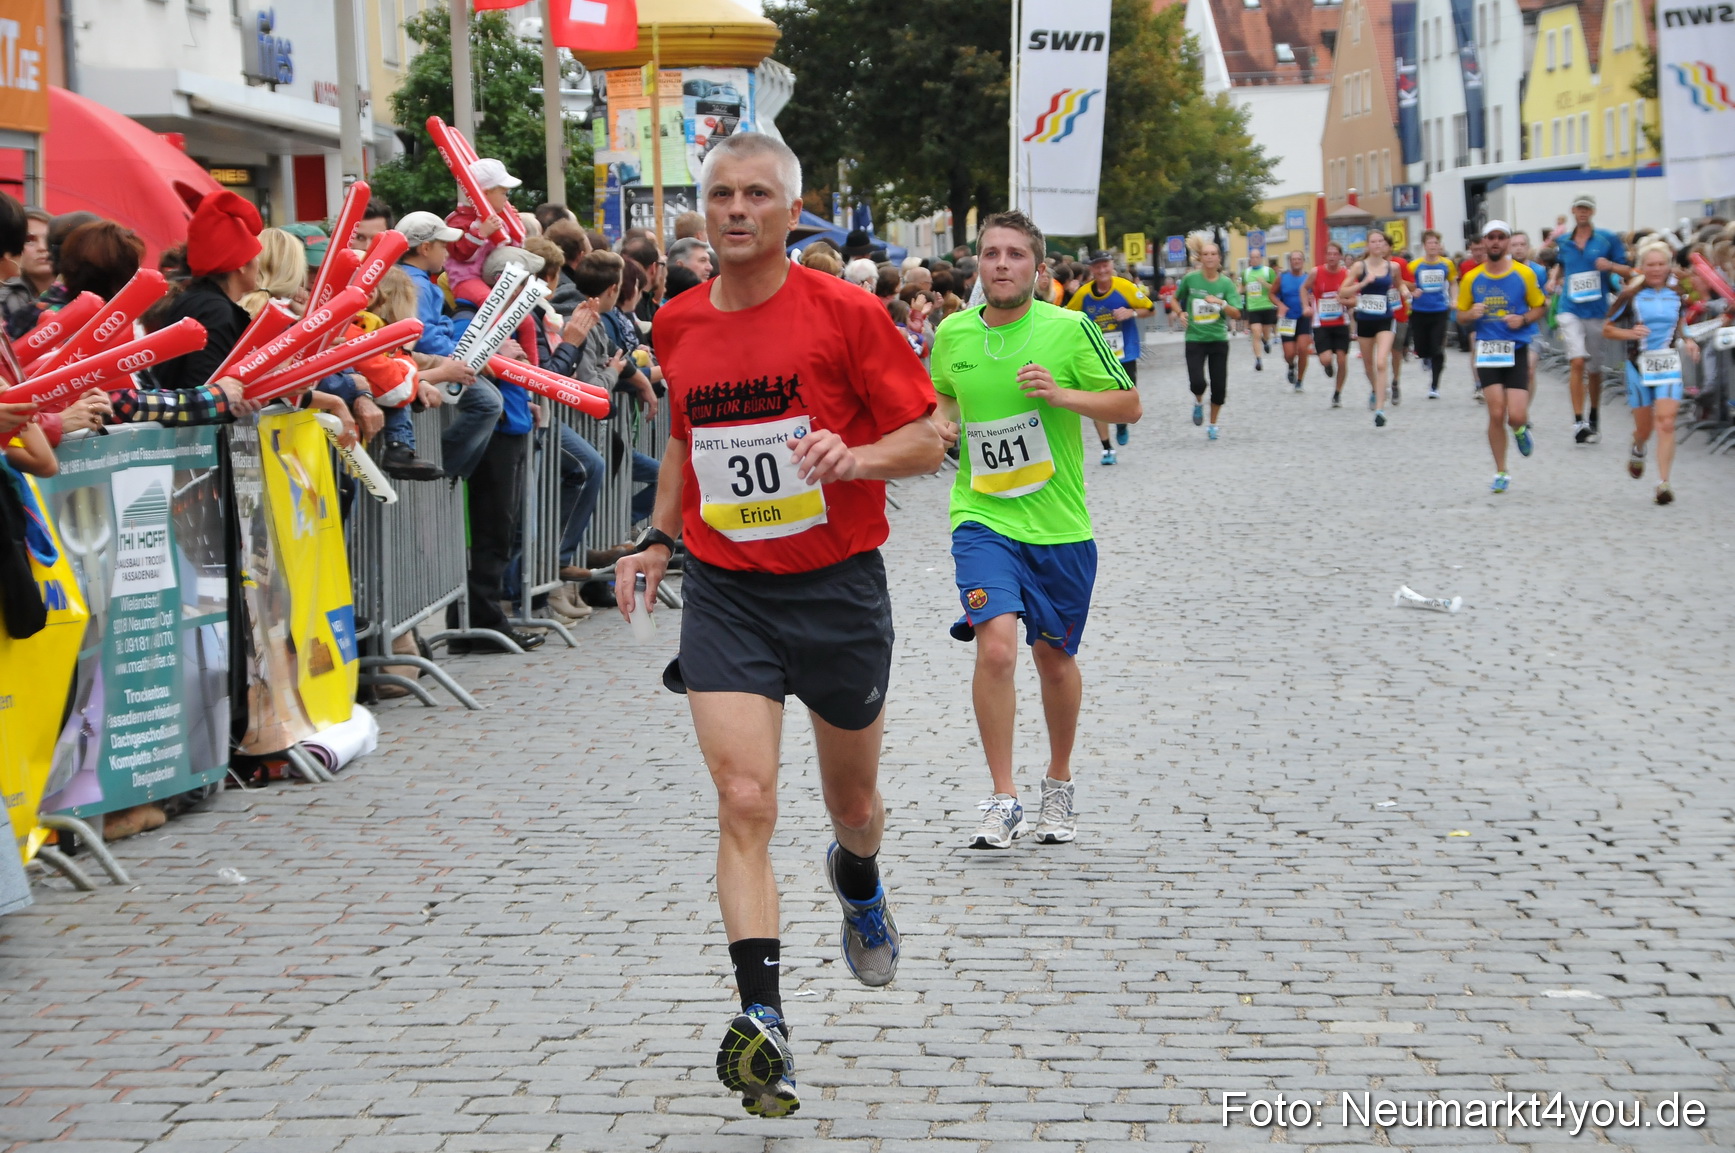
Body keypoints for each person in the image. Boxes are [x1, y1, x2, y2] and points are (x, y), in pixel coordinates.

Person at [614, 132, 942, 1120]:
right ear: (702, 209)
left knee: (852, 801)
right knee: (745, 796)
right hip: (728, 590)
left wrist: (856, 457)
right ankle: (765, 1025)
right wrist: (658, 537)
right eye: (720, 194)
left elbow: (930, 436)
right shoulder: (676, 322)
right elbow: (684, 437)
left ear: (792, 212)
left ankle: (860, 875)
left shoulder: (844, 312)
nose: (736, 209)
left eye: (757, 193)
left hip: (837, 587)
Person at [930, 210, 1139, 851]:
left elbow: (1128, 404)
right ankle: (1003, 796)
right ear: (978, 266)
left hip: (1058, 523)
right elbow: (942, 395)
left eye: (1015, 254)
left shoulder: (1070, 329)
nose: (1000, 264)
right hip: (982, 515)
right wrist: (940, 422)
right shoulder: (953, 334)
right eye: (991, 253)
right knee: (994, 647)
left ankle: (1059, 780)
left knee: (1054, 658)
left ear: (1037, 268)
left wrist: (1063, 395)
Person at [397, 211, 494, 481]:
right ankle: (445, 468)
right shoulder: (416, 283)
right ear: (425, 248)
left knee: (491, 404)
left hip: (435, 359)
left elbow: (434, 326)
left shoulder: (417, 279)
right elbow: (424, 334)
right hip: (432, 361)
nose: (448, 253)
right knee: (488, 404)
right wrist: (458, 354)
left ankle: (448, 469)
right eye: (443, 245)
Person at [1604, 241, 1698, 504]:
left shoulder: (1678, 294)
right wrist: (1629, 333)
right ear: (1642, 267)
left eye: (1661, 264)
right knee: (1644, 429)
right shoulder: (1630, 296)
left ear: (1668, 266)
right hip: (1638, 368)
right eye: (1651, 265)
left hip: (1668, 365)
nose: (1656, 269)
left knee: (1666, 422)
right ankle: (1639, 446)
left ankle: (1663, 483)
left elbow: (1681, 324)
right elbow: (1607, 329)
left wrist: (1688, 340)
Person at [1457, 221, 1546, 494]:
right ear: (1483, 242)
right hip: (1488, 351)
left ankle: (1519, 430)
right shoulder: (1472, 278)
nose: (1495, 242)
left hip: (1516, 349)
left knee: (1516, 415)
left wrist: (1524, 318)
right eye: (1490, 238)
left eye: (1501, 237)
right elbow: (1459, 315)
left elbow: (1540, 306)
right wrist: (1470, 315)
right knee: (1496, 412)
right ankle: (1501, 471)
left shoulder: (1524, 274)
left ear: (1507, 242)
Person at [148, 191, 264, 392]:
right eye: (255, 256)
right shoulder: (215, 311)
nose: (259, 264)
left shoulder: (199, 301)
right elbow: (206, 387)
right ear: (241, 265)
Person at [1550, 194, 1630, 443]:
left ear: (1592, 212)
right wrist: (1554, 278)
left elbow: (1628, 269)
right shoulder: (1563, 241)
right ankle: (1578, 422)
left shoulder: (1608, 239)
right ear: (1573, 211)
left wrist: (1610, 267)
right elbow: (1561, 264)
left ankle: (1593, 415)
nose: (1583, 212)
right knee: (1576, 361)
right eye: (1579, 208)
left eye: (1588, 209)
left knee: (1594, 369)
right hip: (1569, 308)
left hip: (1596, 310)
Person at [1064, 251, 1152, 462]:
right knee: (1097, 398)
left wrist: (1131, 312)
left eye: (1106, 265)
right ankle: (1107, 448)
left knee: (1126, 395)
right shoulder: (1083, 294)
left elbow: (1150, 309)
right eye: (1097, 266)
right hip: (1096, 355)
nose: (1102, 270)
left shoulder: (1125, 287)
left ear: (1111, 266)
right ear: (1091, 269)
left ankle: (1121, 422)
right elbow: (1067, 317)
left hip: (1125, 352)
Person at [1174, 239, 1242, 440]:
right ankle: (1198, 402)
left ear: (1219, 258)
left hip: (1218, 339)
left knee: (1219, 386)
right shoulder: (1190, 279)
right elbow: (1176, 299)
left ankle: (1213, 424)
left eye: (1213, 254)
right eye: (1206, 254)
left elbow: (1237, 313)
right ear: (1200, 258)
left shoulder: (1226, 283)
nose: (1210, 257)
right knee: (1197, 382)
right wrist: (1180, 313)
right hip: (1195, 337)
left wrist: (1220, 303)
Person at [1345, 230, 1409, 427]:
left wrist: (1406, 292)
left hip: (1385, 318)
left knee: (1381, 362)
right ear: (1368, 245)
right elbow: (1343, 290)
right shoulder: (1359, 266)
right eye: (1373, 242)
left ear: (1385, 245)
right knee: (1368, 365)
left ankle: (1380, 409)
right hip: (1364, 319)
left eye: (1381, 241)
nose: (1377, 245)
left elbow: (1400, 285)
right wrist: (1363, 283)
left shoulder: (1393, 267)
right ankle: (1376, 389)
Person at [444, 157, 522, 305]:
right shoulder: (459, 220)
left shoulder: (497, 218)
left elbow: (509, 250)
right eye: (505, 193)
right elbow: (460, 254)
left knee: (526, 316)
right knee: (493, 307)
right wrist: (480, 233)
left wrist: (514, 224)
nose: (507, 199)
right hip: (467, 280)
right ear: (485, 194)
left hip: (492, 278)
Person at [1407, 230, 1456, 399]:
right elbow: (1405, 283)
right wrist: (1412, 291)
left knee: (1437, 348)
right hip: (1419, 310)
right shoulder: (1415, 265)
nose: (1433, 246)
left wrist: (1454, 299)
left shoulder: (1447, 264)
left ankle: (1434, 385)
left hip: (1439, 310)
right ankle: (1424, 356)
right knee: (1421, 347)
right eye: (1430, 243)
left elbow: (1453, 282)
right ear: (1424, 246)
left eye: (1436, 243)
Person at [1304, 242, 1351, 404]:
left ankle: (1337, 393)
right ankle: (1327, 366)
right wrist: (1306, 306)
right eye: (1329, 254)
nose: (1331, 257)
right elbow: (1304, 288)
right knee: (1324, 359)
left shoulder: (1346, 274)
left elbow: (1354, 297)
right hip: (1321, 323)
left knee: (1342, 359)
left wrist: (1345, 301)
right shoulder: (1316, 272)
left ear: (1340, 256)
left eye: (1335, 254)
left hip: (1341, 322)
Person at [1, 208, 51, 337]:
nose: (42, 248)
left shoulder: (80, 294)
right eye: (29, 240)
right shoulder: (4, 298)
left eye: (49, 239)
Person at [1274, 251, 1312, 391]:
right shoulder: (1282, 277)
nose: (1296, 261)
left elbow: (1315, 294)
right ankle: (1291, 365)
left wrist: (1311, 301)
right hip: (1287, 319)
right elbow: (1272, 294)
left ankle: (1300, 380)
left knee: (1303, 349)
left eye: (1299, 259)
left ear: (1303, 261)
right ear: (1290, 261)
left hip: (1303, 317)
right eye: (1293, 259)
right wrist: (1280, 305)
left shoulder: (1308, 277)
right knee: (1289, 354)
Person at [1242, 257, 1277, 372]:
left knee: (1266, 332)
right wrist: (1240, 291)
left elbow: (1275, 288)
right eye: (1252, 257)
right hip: (1253, 307)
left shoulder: (1268, 271)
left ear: (1261, 259)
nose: (1254, 260)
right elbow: (1241, 287)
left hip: (1267, 306)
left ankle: (1266, 340)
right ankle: (1258, 359)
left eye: (1257, 257)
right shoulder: (1246, 273)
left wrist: (1264, 283)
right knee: (1256, 333)